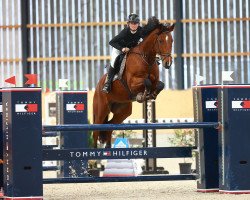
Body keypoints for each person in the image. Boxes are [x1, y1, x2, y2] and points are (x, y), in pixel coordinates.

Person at [102, 13, 143, 93]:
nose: (134, 25)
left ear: (138, 24)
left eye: (136, 23)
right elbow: (111, 42)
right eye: (132, 23)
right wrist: (122, 48)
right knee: (114, 62)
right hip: (119, 48)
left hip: (131, 49)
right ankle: (107, 84)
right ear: (128, 24)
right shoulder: (125, 32)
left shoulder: (141, 30)